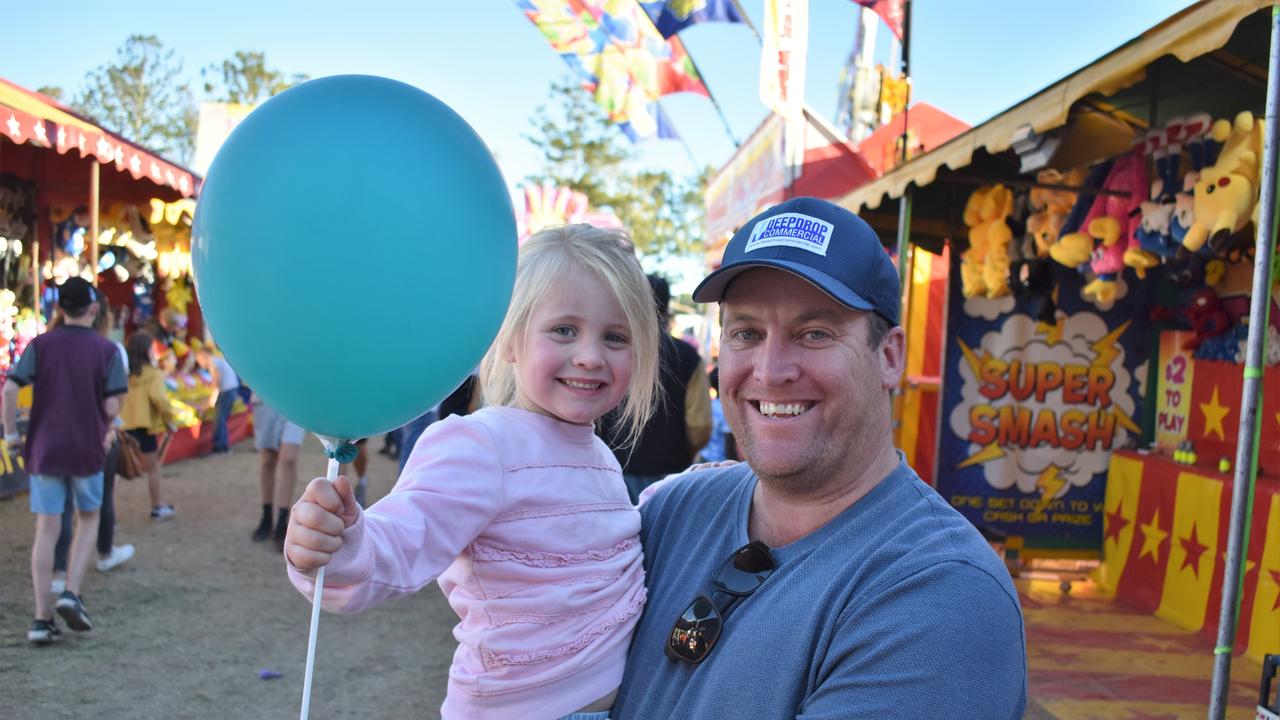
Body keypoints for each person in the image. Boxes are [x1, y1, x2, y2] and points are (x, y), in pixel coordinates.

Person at [612, 197, 1027, 718]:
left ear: (890, 357)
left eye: (815, 334)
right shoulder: (672, 511)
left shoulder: (944, 596)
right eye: (746, 333)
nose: (770, 370)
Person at [283, 224, 659, 720]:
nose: (590, 356)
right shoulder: (483, 444)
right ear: (509, 340)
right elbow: (401, 540)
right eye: (564, 329)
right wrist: (336, 546)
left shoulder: (601, 456)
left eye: (615, 337)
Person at [4, 277, 128, 644]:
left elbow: (11, 387)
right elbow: (111, 404)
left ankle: (41, 618)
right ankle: (71, 593)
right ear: (93, 309)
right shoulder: (105, 350)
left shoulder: (41, 345)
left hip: (44, 448)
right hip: (87, 448)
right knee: (88, 516)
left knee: (47, 529)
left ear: (59, 308)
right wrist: (107, 421)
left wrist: (12, 434)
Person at [602, 274, 711, 503]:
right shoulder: (687, 357)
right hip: (671, 473)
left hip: (612, 469)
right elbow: (699, 424)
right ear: (667, 307)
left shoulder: (612, 348)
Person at [52, 303, 135, 586]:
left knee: (60, 506)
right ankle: (103, 554)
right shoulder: (110, 350)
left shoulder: (51, 346)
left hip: (58, 434)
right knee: (97, 504)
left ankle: (59, 572)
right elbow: (114, 401)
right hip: (98, 436)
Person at [120, 331, 181, 519]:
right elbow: (159, 399)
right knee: (153, 469)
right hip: (145, 427)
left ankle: (107, 514)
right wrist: (170, 419)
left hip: (122, 426)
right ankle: (157, 506)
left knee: (115, 472)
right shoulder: (154, 374)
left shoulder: (123, 374)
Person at [249, 396, 304, 545]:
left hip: (296, 398)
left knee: (289, 459)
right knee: (268, 460)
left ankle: (282, 521)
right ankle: (266, 517)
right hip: (266, 394)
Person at [195, 346, 239, 455]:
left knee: (220, 419)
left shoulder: (212, 361)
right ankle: (222, 446)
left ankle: (220, 448)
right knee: (221, 419)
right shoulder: (218, 358)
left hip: (227, 391)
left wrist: (211, 398)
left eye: (199, 360)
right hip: (231, 390)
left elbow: (216, 379)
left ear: (203, 355)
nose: (199, 364)